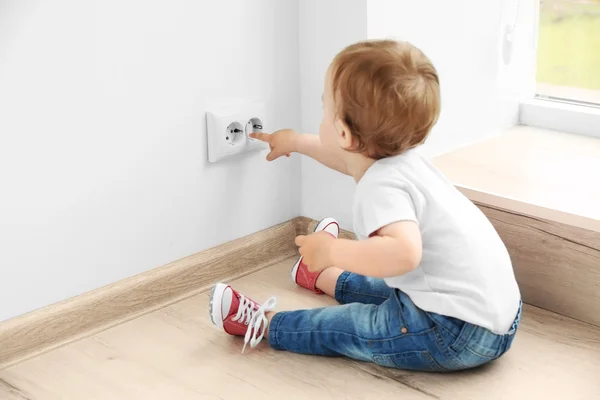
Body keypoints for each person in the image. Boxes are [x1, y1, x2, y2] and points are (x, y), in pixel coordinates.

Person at [208, 39, 522, 371]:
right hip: (496, 314)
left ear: (343, 133)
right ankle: (323, 277)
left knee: (352, 324)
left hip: (453, 333)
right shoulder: (401, 160)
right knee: (384, 286)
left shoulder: (381, 186)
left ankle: (265, 324)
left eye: (324, 107)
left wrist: (332, 250)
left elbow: (404, 254)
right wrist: (297, 142)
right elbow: (346, 159)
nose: (322, 114)